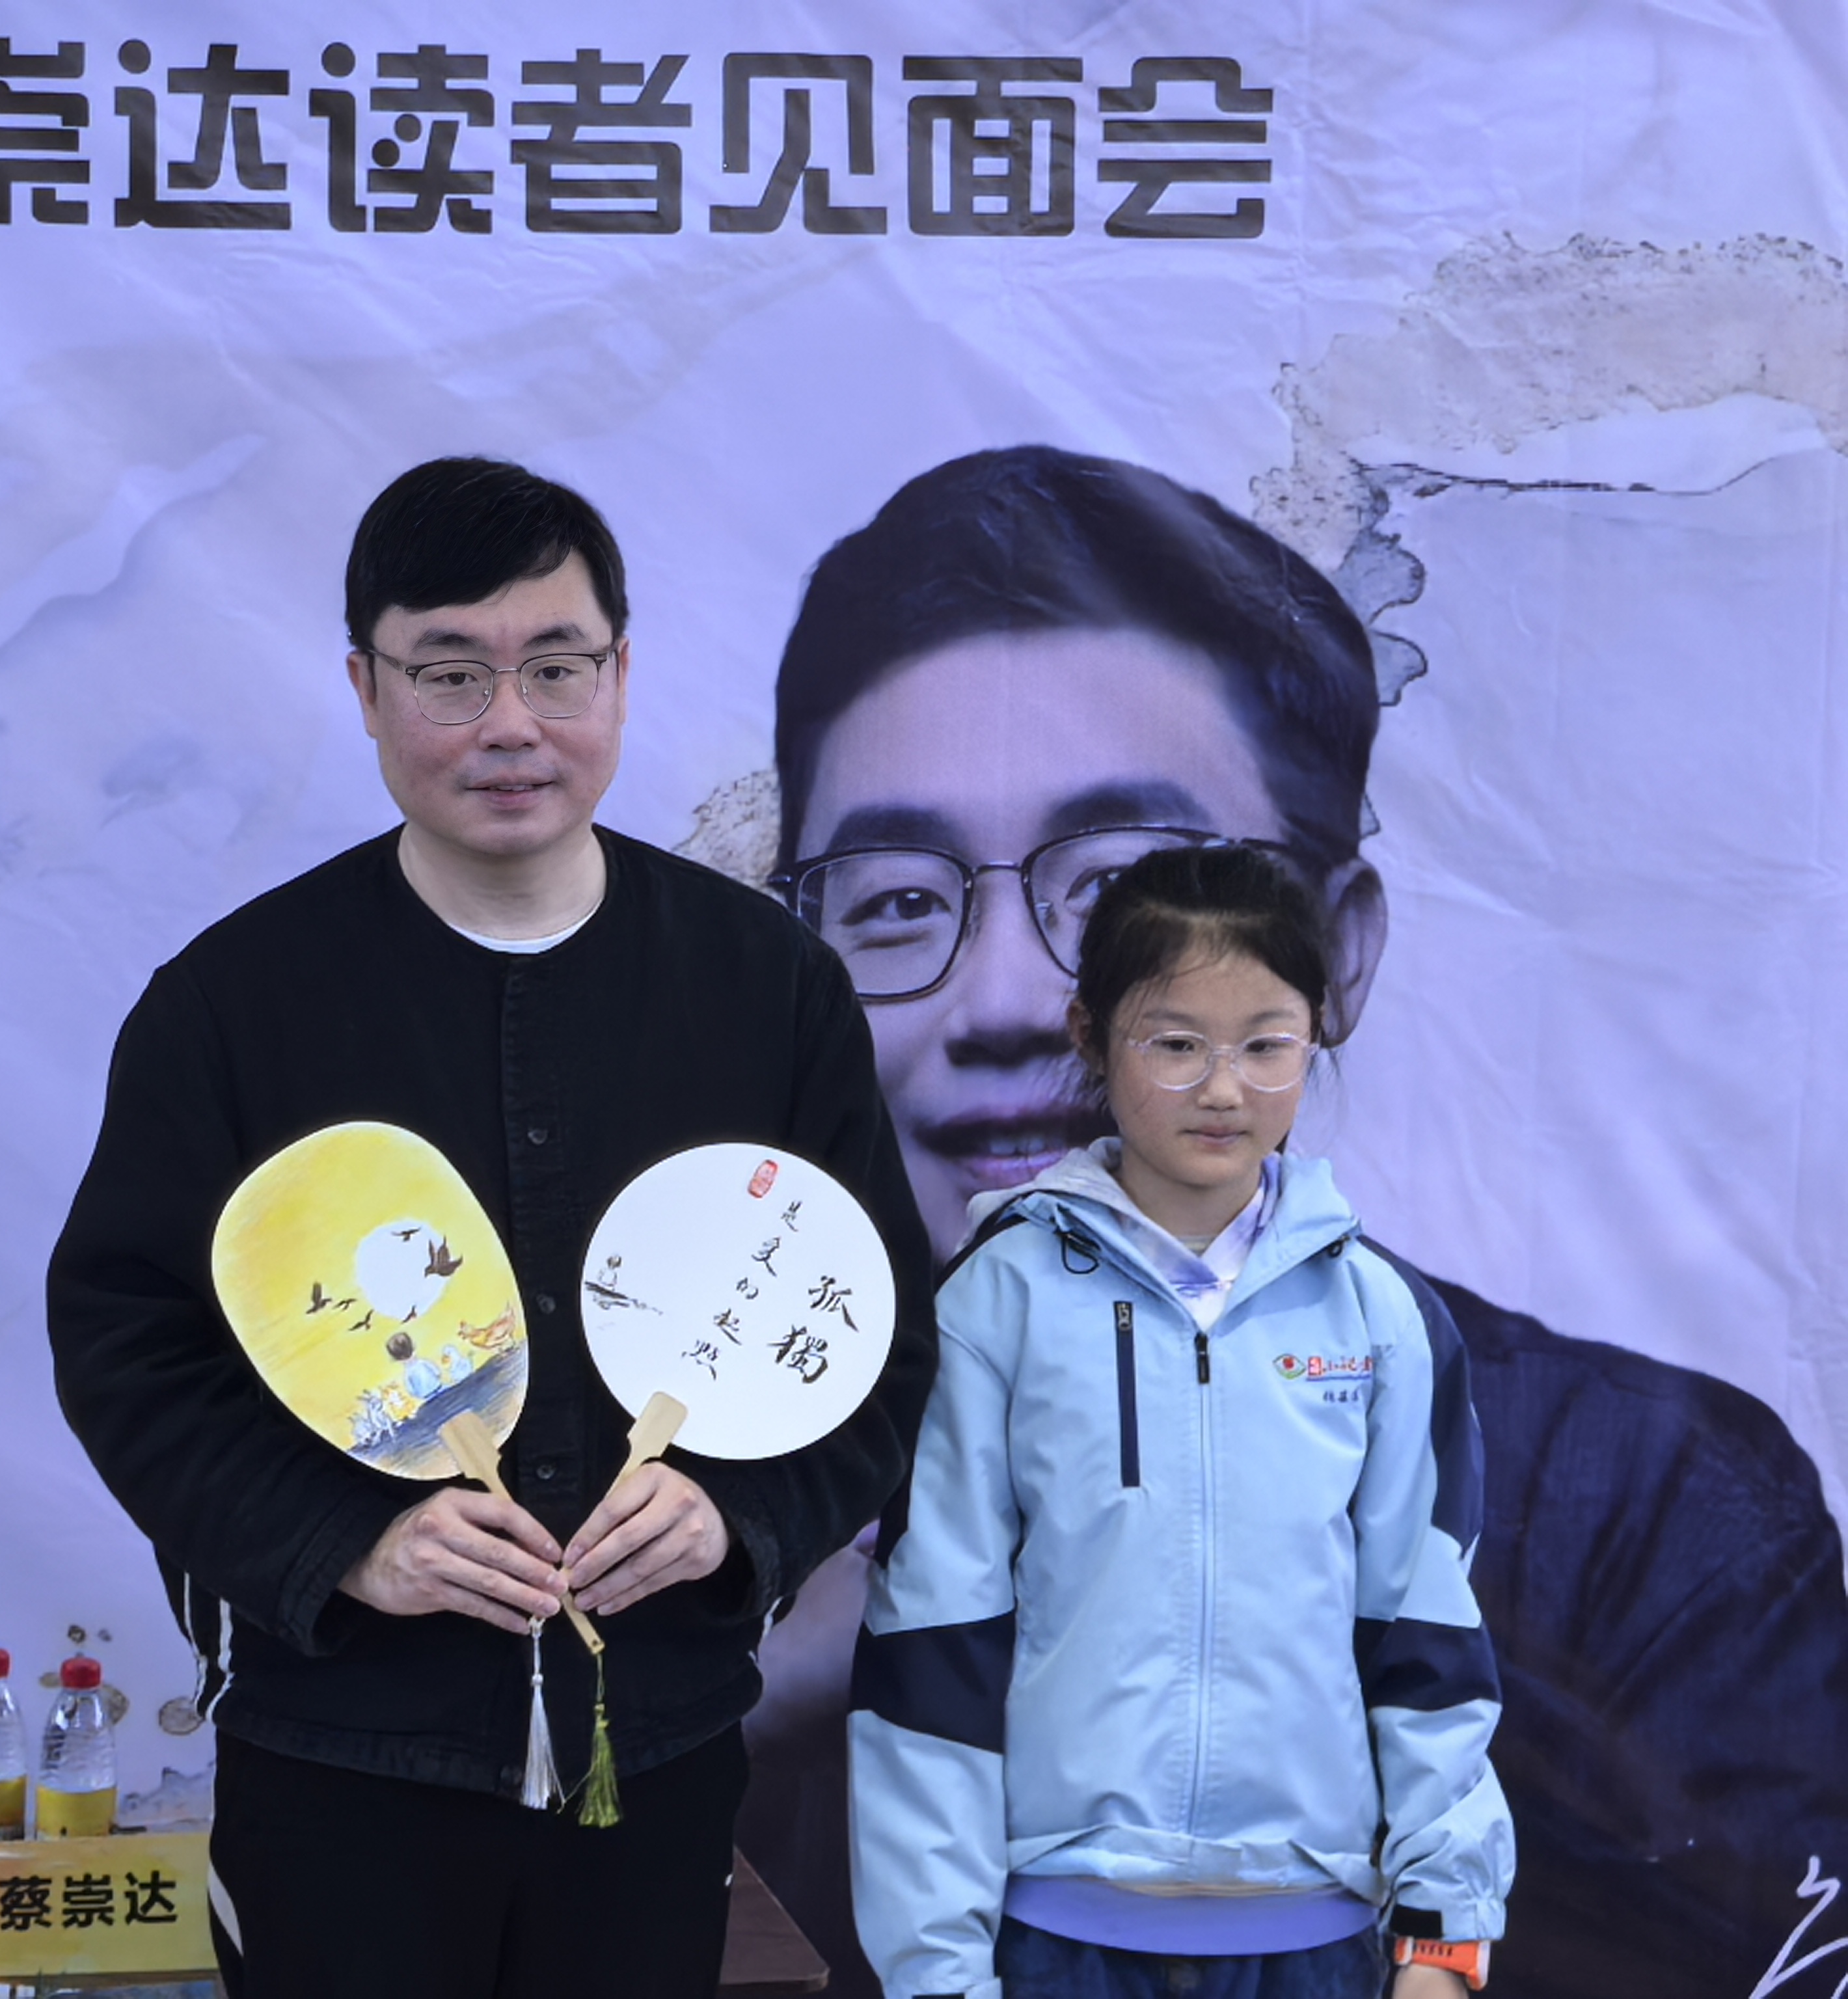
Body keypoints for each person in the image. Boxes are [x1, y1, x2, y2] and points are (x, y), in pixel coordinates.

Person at [754, 444, 1848, 1998]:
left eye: (1124, 892)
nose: (1003, 999)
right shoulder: (739, 1479)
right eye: (897, 901)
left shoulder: (1633, 1494)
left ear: (1329, 961)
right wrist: (719, 1704)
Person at [46, 456, 936, 1999]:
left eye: (554, 666)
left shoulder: (764, 987)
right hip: (339, 1757)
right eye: (449, 673)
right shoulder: (235, 1004)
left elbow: (879, 1339)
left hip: (653, 1756)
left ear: (620, 676)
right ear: (365, 688)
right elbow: (132, 1350)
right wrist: (346, 1545)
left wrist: (738, 1521)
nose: (508, 722)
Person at [853, 841, 1513, 1998]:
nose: (1223, 1089)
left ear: (1318, 1035)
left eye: (1266, 1044)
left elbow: (1428, 1642)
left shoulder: (1382, 1317)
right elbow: (932, 1651)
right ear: (1090, 1034)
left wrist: (1443, 1940)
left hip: (1315, 1941)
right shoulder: (998, 1301)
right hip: (1055, 1937)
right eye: (1175, 1044)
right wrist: (937, 1975)